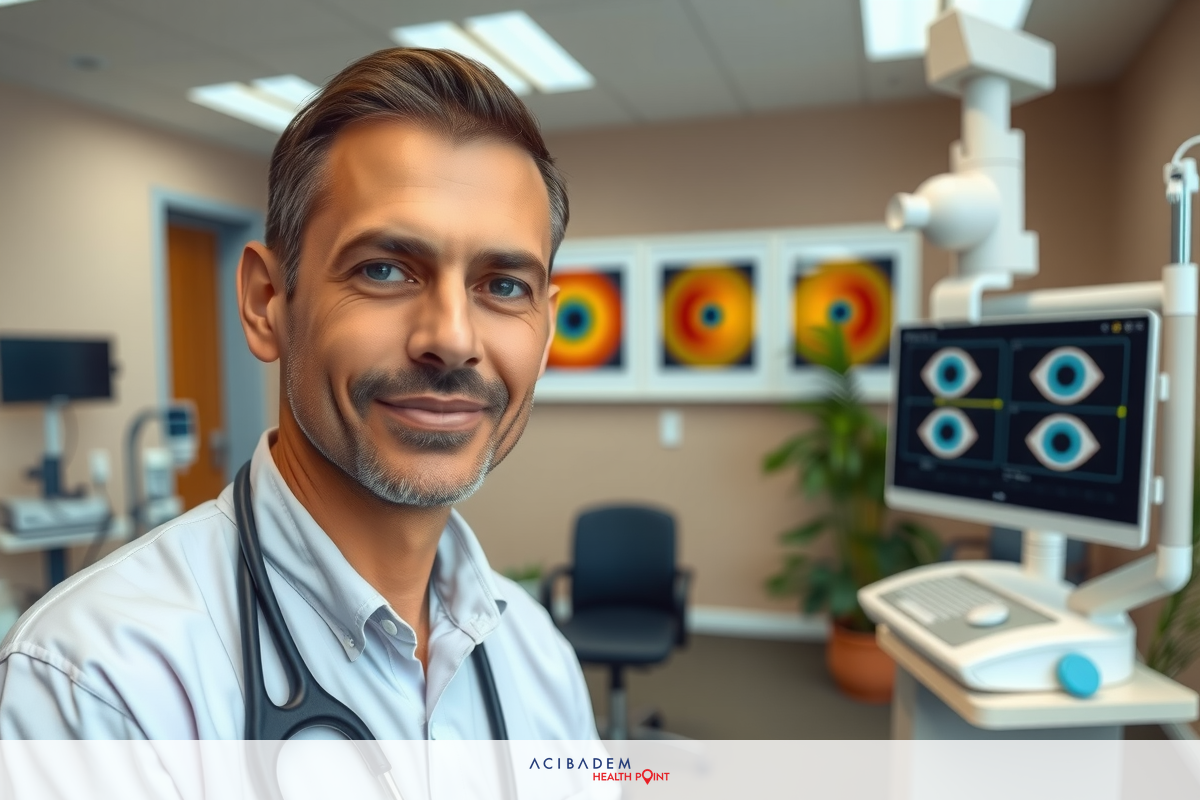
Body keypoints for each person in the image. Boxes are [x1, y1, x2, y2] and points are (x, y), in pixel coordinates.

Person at [0, 48, 597, 742]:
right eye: (385, 270)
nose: (453, 339)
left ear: (547, 333)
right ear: (266, 303)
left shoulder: (539, 660)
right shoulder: (95, 684)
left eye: (503, 286)